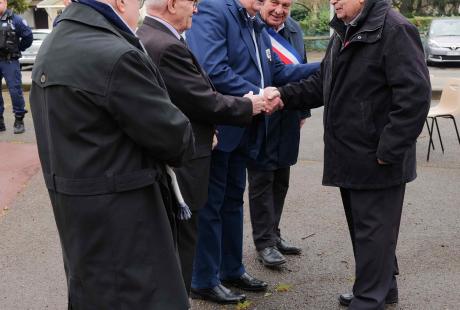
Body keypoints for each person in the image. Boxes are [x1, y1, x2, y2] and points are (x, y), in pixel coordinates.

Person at [264, 0, 431, 308]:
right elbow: (322, 83)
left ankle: (369, 299)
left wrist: (388, 150)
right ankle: (383, 287)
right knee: (366, 230)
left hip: (377, 157)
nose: (333, 1)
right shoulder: (346, 30)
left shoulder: (394, 29)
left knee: (373, 232)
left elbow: (415, 96)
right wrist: (284, 96)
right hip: (351, 155)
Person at [30, 0, 195, 308]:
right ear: (120, 1)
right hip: (130, 232)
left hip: (82, 228)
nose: (141, 10)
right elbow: (177, 139)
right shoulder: (115, 55)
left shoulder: (54, 44)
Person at [186, 0, 319, 304]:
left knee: (233, 201)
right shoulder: (214, 10)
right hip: (220, 127)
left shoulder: (252, 20)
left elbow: (274, 71)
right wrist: (259, 96)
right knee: (211, 205)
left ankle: (232, 269)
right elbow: (213, 69)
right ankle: (204, 279)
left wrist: (327, 66)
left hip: (245, 127)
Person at [137, 0, 266, 295]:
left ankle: (226, 271)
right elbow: (201, 97)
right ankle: (199, 283)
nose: (196, 10)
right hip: (189, 147)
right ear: (172, 4)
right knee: (197, 217)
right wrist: (251, 103)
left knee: (225, 204)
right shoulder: (165, 45)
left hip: (203, 135)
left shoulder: (157, 37)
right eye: (192, 3)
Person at [247, 0, 315, 268]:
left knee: (281, 178)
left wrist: (303, 111)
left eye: (285, 4)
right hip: (261, 114)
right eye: (274, 2)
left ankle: (274, 234)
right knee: (262, 179)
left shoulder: (295, 30)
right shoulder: (253, 29)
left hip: (288, 111)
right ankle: (263, 242)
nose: (280, 10)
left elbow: (305, 71)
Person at [0, 0, 32, 134]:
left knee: (15, 90)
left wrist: (18, 49)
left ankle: (19, 119)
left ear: (5, 3)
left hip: (9, 61)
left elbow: (28, 36)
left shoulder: (15, 20)